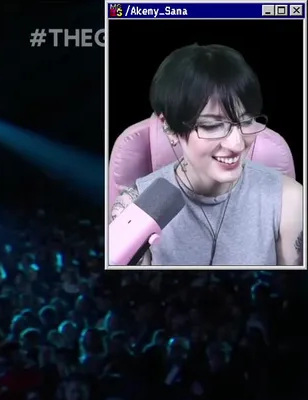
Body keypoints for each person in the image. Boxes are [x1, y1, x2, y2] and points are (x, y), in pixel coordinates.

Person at [109, 44, 303, 266]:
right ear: (169, 127)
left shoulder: (289, 200)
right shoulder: (136, 207)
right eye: (212, 126)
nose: (237, 144)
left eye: (247, 121)